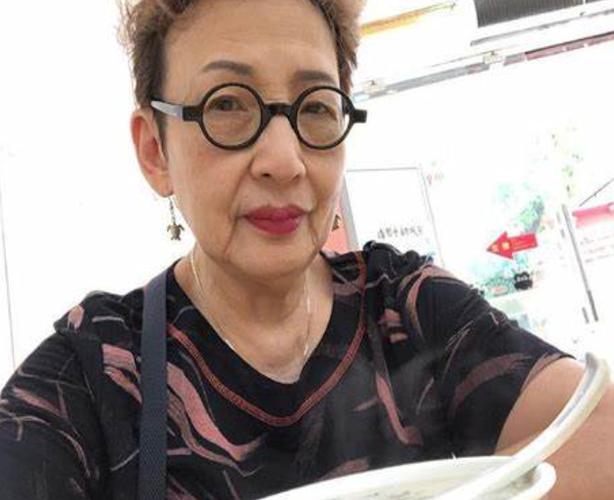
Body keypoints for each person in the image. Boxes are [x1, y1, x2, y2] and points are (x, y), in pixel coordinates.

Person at [1, 0, 613, 498]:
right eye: (227, 105)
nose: (284, 160)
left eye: (316, 107)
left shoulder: (406, 308)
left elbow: (599, 431)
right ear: (155, 151)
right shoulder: (94, 375)